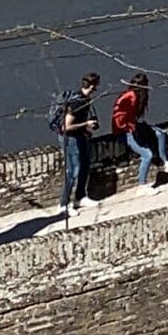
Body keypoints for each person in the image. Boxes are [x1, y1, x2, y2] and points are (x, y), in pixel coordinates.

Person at [112, 71, 168, 189]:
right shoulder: (131, 98)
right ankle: (142, 185)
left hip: (133, 126)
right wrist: (132, 130)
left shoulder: (134, 96)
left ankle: (165, 162)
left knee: (159, 134)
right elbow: (120, 119)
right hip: (125, 132)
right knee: (147, 155)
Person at [55, 71, 99, 222]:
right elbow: (66, 126)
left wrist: (85, 130)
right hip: (70, 139)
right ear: (93, 86)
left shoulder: (84, 99)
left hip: (79, 137)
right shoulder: (77, 102)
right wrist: (86, 124)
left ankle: (80, 197)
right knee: (73, 171)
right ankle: (63, 204)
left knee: (85, 165)